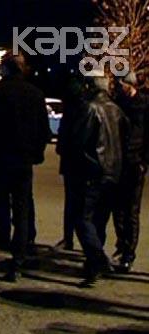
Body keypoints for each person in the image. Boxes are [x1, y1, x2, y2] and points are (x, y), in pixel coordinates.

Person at [0, 53, 50, 282]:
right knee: (21, 212)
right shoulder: (35, 94)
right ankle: (16, 264)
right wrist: (35, 154)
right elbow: (44, 131)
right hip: (22, 162)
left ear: (6, 69)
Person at [70, 72, 128, 286]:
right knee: (98, 220)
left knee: (82, 219)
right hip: (113, 171)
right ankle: (93, 265)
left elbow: (80, 141)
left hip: (93, 172)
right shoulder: (116, 110)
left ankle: (97, 259)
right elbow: (125, 139)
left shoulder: (91, 108)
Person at [112, 71, 148, 273]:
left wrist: (144, 161)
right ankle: (122, 244)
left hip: (135, 162)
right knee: (118, 209)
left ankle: (129, 253)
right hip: (120, 161)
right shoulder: (119, 102)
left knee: (131, 211)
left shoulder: (144, 105)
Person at [54, 76, 88, 252]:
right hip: (81, 163)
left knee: (73, 204)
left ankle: (70, 238)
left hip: (72, 163)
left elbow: (64, 138)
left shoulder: (72, 112)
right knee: (82, 205)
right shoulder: (85, 108)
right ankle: (83, 241)